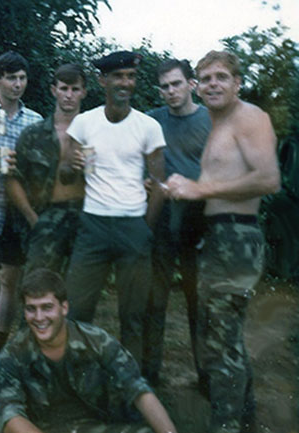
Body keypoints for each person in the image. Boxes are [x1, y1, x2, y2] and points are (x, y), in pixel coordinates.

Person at [165, 50, 280, 433]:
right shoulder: (220, 124)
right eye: (206, 78)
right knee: (222, 336)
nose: (213, 84)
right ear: (197, 87)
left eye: (221, 77)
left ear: (237, 83)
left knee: (220, 342)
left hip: (237, 235)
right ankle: (245, 420)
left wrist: (201, 189)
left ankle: (227, 426)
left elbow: (268, 179)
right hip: (220, 237)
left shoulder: (250, 117)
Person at [63, 51, 167, 367]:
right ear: (102, 80)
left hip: (133, 227)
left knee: (133, 314)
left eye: (131, 77)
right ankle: (78, 376)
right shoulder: (83, 123)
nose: (125, 83)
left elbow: (159, 185)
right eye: (118, 76)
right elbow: (65, 174)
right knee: (78, 309)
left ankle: (132, 388)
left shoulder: (148, 127)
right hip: (93, 227)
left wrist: (144, 229)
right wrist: (73, 163)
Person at [0, 268, 178, 433]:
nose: (39, 317)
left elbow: (138, 390)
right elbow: (11, 416)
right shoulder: (12, 355)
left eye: (47, 307)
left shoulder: (97, 341)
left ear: (64, 308)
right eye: (31, 309)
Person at [0, 51, 42, 383]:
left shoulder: (35, 120)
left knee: (10, 283)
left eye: (22, 78)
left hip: (15, 210)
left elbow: (40, 171)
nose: (17, 84)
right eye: (11, 78)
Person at [142, 59, 211, 387]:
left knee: (199, 300)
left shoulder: (210, 120)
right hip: (163, 219)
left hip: (200, 218)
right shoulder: (153, 120)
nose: (170, 91)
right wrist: (144, 180)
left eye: (176, 84)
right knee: (155, 299)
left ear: (191, 85)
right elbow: (139, 160)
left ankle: (206, 373)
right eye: (165, 86)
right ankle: (149, 373)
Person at [7, 63, 87, 277]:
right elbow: (13, 180)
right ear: (54, 91)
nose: (69, 95)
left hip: (87, 218)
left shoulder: (96, 132)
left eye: (75, 89)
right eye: (63, 88)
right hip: (47, 216)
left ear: (83, 92)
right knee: (38, 284)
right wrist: (33, 218)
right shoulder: (33, 134)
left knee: (80, 290)